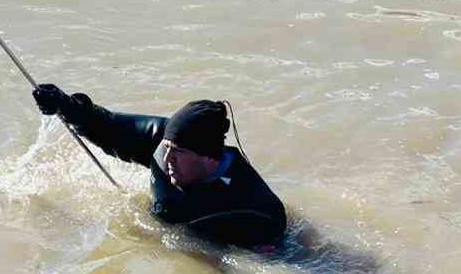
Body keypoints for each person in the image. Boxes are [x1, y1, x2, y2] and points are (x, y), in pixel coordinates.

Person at [31, 84, 286, 251]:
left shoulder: (258, 209)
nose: (167, 159)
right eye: (167, 149)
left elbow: (272, 263)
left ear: (208, 157)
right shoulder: (162, 142)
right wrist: (64, 104)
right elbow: (105, 126)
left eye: (178, 153)